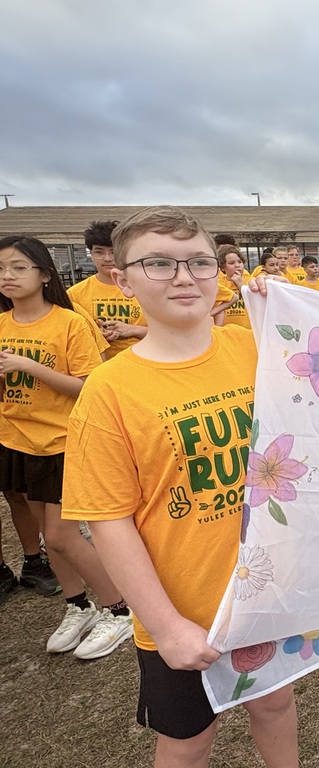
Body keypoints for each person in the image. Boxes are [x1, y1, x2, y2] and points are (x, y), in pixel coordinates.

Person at [62, 207, 299, 765]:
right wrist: (166, 626)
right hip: (183, 606)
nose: (184, 277)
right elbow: (108, 519)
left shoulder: (251, 348)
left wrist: (284, 309)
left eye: (199, 262)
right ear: (122, 279)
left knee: (274, 703)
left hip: (263, 591)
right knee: (189, 738)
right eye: (160, 264)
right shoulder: (109, 391)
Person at [0, 236, 133, 658]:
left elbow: (87, 387)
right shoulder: (1, 323)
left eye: (19, 267)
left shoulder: (70, 323)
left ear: (44, 274)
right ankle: (78, 605)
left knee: (61, 537)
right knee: (46, 533)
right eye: (2, 267)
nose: (8, 275)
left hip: (62, 441)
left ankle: (121, 609)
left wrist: (28, 366)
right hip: (17, 440)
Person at [68, 220, 148, 357]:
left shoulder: (147, 289)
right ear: (91, 254)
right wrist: (95, 333)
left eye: (113, 252)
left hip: (142, 363)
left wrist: (133, 330)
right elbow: (68, 336)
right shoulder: (74, 294)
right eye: (99, 252)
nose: (107, 258)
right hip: (97, 367)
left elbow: (171, 334)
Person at [216, 245, 250, 330]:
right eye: (231, 263)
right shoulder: (219, 284)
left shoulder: (251, 281)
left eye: (240, 262)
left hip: (248, 331)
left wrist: (240, 285)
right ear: (223, 268)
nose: (237, 265)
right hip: (226, 331)